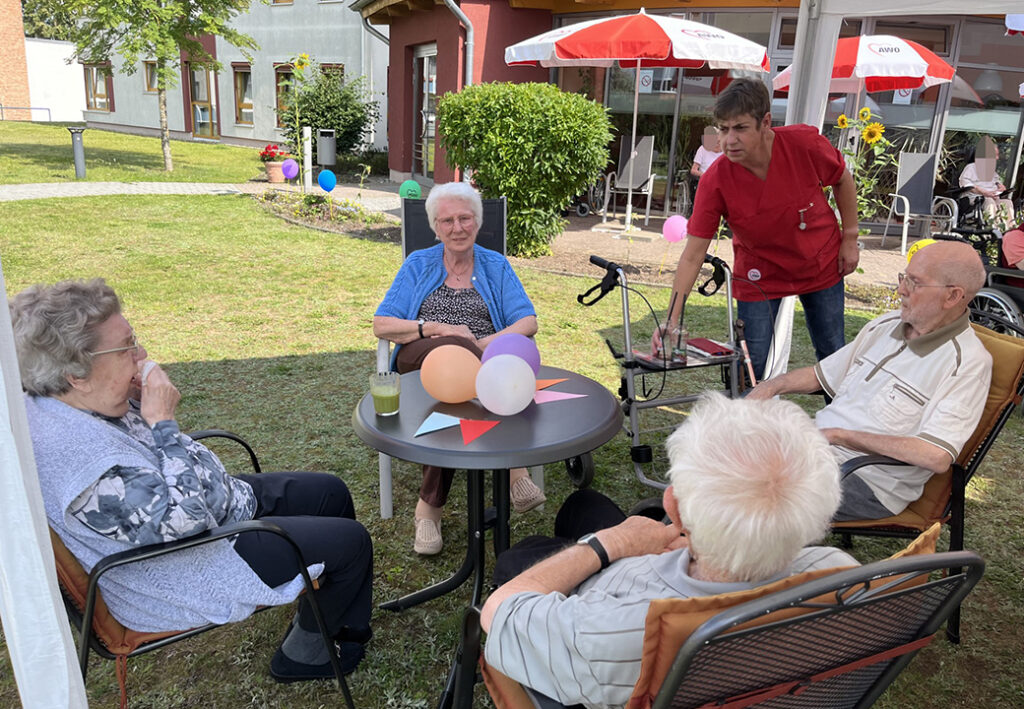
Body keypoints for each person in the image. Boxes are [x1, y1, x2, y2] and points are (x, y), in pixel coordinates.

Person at [12, 278, 373, 683]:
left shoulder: (73, 398)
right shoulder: (81, 465)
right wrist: (162, 422)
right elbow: (186, 522)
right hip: (190, 559)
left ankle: (324, 615)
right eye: (127, 346)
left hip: (215, 506)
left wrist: (129, 397)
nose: (141, 354)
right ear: (76, 373)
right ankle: (305, 655)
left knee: (330, 493)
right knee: (351, 543)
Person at [481, 392, 856, 708]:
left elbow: (500, 610)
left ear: (673, 508)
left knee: (521, 555)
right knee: (584, 506)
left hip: (600, 599)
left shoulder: (622, 636)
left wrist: (609, 544)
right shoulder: (841, 575)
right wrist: (692, 551)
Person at [748, 240, 992, 521]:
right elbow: (821, 375)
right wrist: (771, 386)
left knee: (740, 489)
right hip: (813, 451)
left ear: (952, 297)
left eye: (914, 283)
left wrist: (841, 436)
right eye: (904, 277)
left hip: (867, 481)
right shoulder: (885, 325)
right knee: (714, 453)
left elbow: (934, 455)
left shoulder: (967, 363)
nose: (901, 289)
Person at [373, 182, 544, 555]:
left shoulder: (495, 265)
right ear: (436, 228)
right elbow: (382, 324)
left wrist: (483, 344)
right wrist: (437, 329)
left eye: (465, 218)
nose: (457, 227)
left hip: (483, 365)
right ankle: (516, 470)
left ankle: (428, 511)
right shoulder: (418, 264)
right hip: (422, 359)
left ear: (477, 223)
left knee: (458, 396)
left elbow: (527, 321)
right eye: (447, 220)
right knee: (452, 354)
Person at [654, 78, 860, 383]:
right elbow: (692, 255)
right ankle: (740, 427)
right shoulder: (716, 180)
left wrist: (850, 238)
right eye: (723, 129)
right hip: (760, 274)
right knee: (750, 364)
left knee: (832, 354)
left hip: (821, 262)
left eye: (740, 128)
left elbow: (843, 179)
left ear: (765, 122)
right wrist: (671, 319)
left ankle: (840, 426)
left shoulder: (804, 144)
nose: (729, 140)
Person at [959, 136, 1015, 231]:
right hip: (974, 199)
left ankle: (1010, 230)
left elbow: (997, 181)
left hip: (992, 197)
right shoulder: (971, 167)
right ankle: (992, 229)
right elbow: (966, 184)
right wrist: (984, 192)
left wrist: (1000, 186)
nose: (997, 158)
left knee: (1007, 202)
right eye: (995, 155)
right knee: (989, 201)